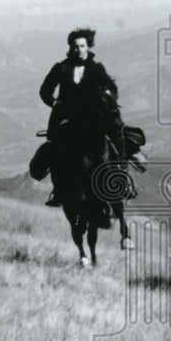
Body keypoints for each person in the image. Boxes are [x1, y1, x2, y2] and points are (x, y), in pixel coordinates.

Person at [39, 27, 127, 206]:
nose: (78, 50)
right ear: (70, 48)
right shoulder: (61, 67)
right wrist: (55, 103)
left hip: (92, 118)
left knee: (117, 136)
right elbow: (45, 90)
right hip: (66, 119)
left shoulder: (97, 68)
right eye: (75, 46)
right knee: (57, 150)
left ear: (88, 47)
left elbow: (112, 89)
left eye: (81, 46)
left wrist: (105, 97)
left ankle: (121, 179)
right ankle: (59, 190)